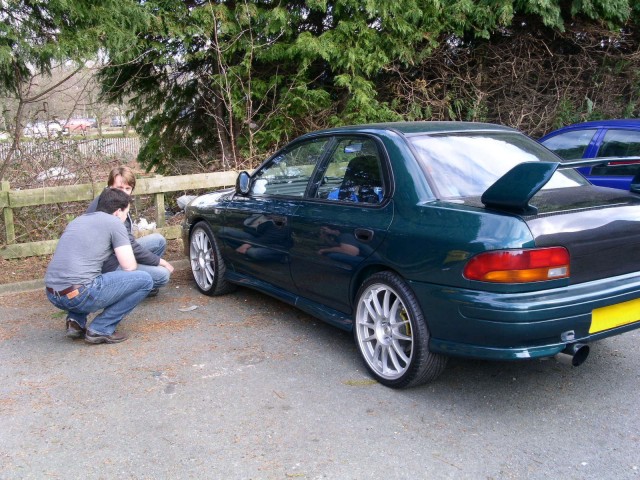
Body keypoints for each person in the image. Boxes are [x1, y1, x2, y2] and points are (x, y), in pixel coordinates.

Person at [45, 188, 154, 344]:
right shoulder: (115, 223)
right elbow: (129, 267)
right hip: (78, 294)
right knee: (145, 280)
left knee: (90, 275)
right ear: (117, 212)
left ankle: (75, 321)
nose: (125, 218)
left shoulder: (78, 220)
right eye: (126, 213)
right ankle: (101, 329)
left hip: (53, 294)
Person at [87, 166, 174, 296]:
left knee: (158, 240)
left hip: (118, 252)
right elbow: (130, 246)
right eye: (119, 188)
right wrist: (160, 261)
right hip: (107, 264)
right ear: (109, 186)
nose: (124, 193)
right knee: (163, 275)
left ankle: (142, 283)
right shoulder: (107, 207)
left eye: (128, 189)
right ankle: (134, 286)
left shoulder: (117, 201)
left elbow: (128, 242)